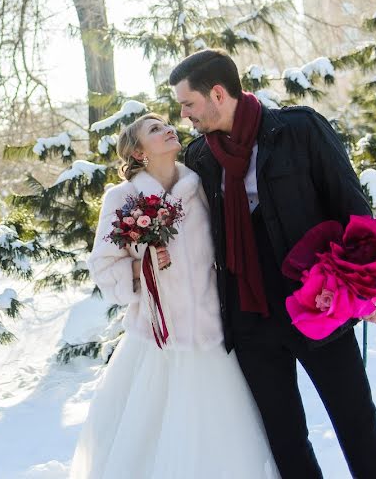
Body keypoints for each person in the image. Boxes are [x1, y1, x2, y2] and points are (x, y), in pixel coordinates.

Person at [171, 48, 376, 479]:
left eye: (188, 103)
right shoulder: (199, 157)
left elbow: (351, 205)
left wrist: (367, 286)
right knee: (285, 441)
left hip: (318, 304)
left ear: (218, 93)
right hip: (250, 319)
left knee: (358, 427)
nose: (184, 115)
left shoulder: (298, 129)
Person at [69, 112, 279, 478]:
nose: (168, 129)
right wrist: (143, 264)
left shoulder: (199, 188)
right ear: (137, 153)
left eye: (167, 124)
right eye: (155, 129)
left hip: (212, 336)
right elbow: (103, 268)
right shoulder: (123, 197)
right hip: (156, 340)